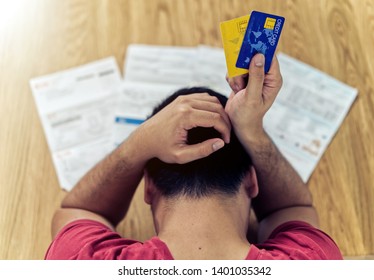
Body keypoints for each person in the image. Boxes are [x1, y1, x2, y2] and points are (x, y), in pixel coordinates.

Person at [45, 53, 342, 260]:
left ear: (148, 187)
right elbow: (293, 208)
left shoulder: (81, 261)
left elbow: (78, 213)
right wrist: (251, 131)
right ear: (253, 181)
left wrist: (138, 144)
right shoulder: (311, 260)